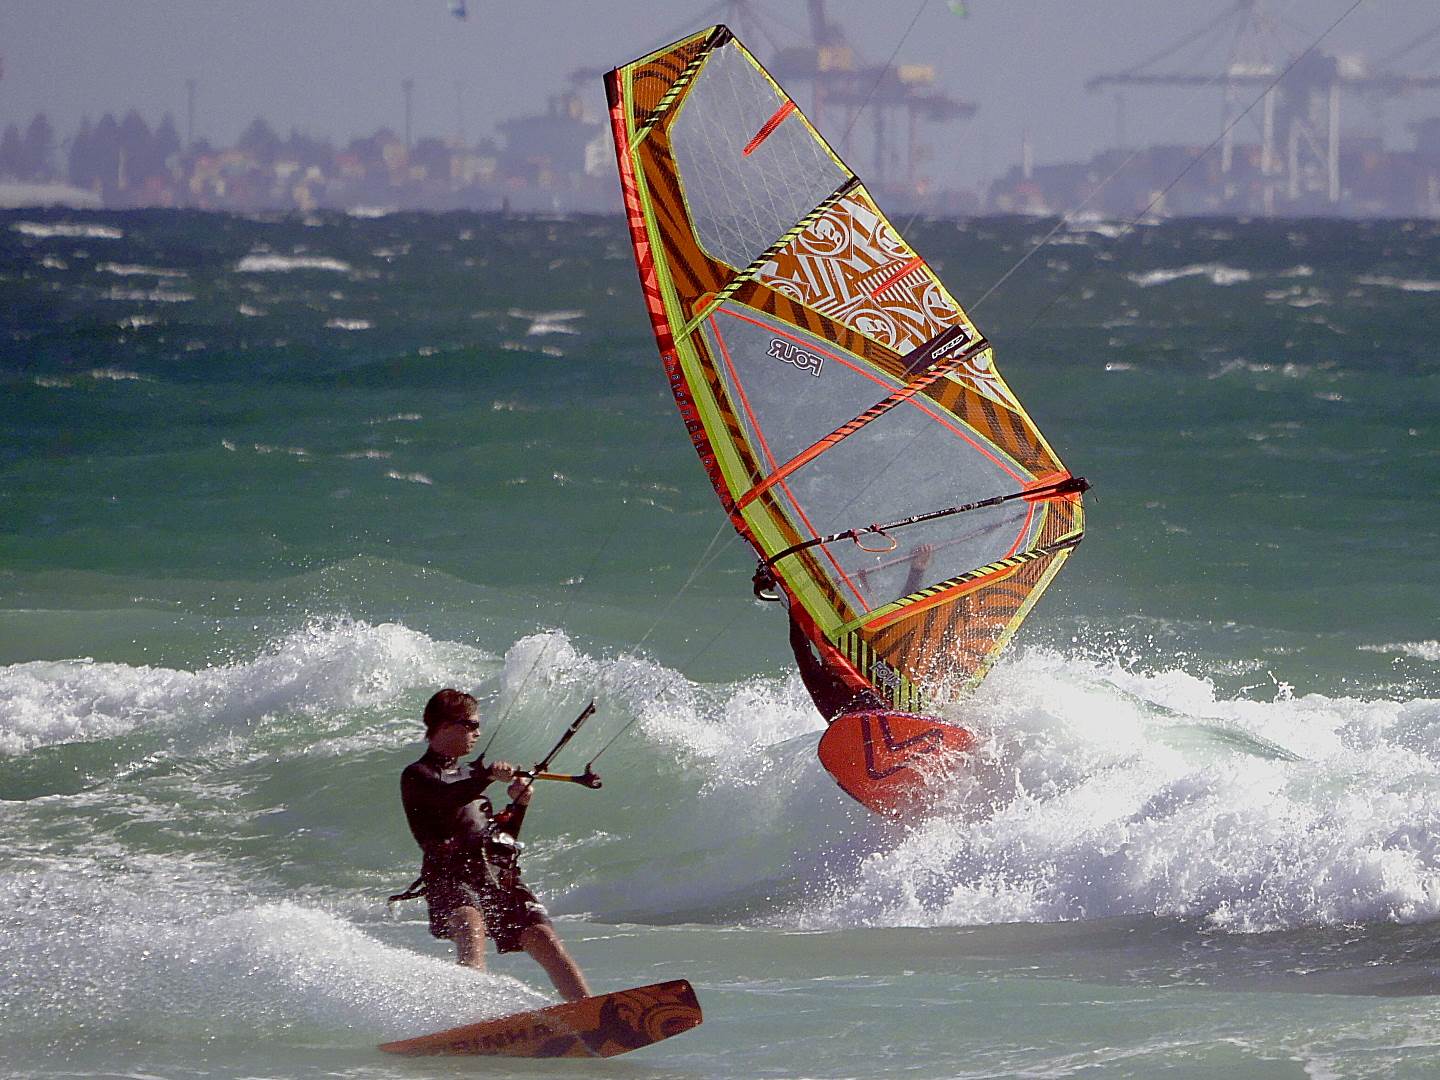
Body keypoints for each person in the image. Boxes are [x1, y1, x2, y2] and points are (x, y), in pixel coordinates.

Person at [399, 688, 590, 1001]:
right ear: (446, 726)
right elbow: (447, 797)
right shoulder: (418, 775)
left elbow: (502, 837)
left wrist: (519, 805)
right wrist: (487, 776)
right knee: (469, 925)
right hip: (450, 872)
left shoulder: (468, 776)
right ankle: (468, 1015)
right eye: (471, 725)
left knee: (544, 937)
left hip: (495, 873)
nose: (478, 732)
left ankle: (590, 1012)